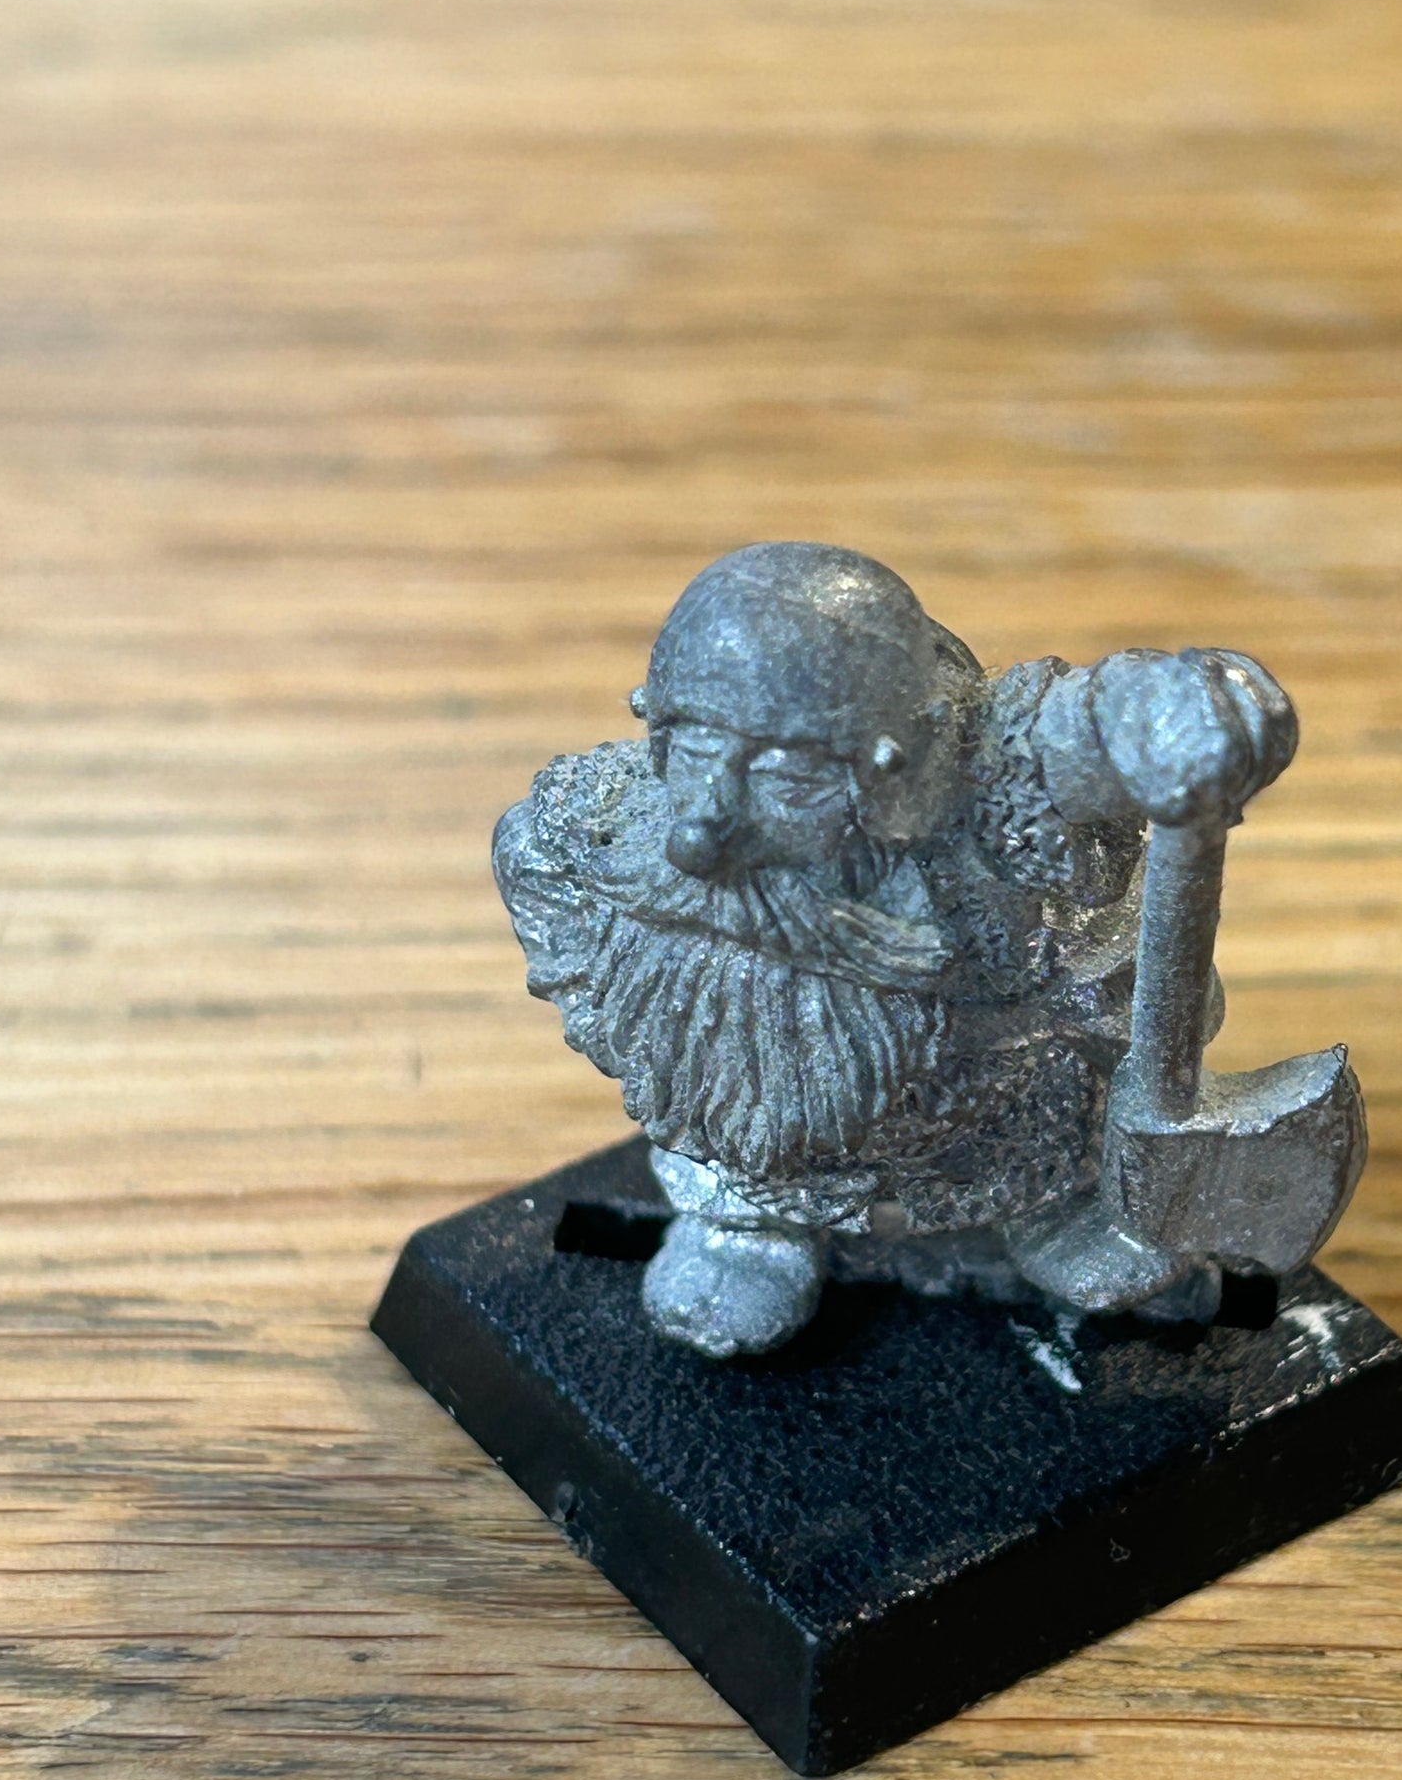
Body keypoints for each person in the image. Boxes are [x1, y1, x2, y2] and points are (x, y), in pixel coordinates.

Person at [494, 542, 1296, 1356]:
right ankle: (748, 1221)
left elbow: (1087, 728)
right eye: (693, 755)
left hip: (995, 1118)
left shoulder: (983, 784)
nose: (701, 832)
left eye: (786, 781)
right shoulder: (604, 822)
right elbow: (530, 862)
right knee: (738, 1160)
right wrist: (609, 1014)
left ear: (890, 770)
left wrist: (1179, 710)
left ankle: (1058, 1208)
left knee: (1046, 1124)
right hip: (743, 1144)